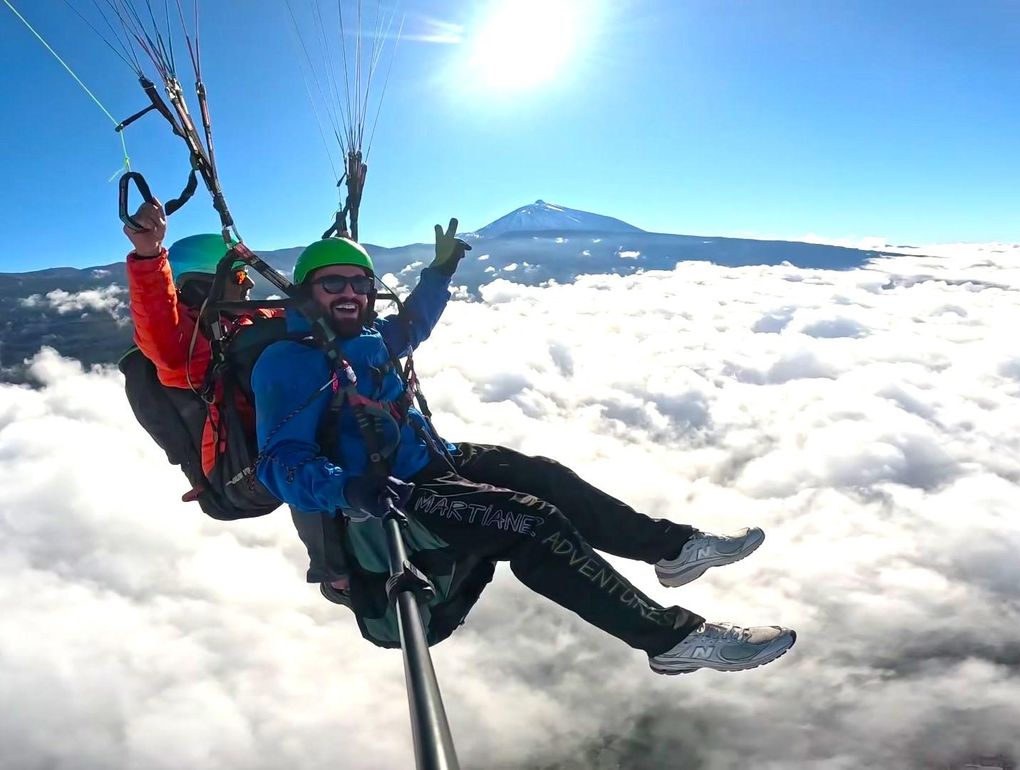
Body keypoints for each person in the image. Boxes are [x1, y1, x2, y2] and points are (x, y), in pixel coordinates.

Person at [252, 220, 797, 674]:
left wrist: (439, 273)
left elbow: (411, 327)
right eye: (332, 284)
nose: (349, 292)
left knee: (545, 474)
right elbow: (279, 461)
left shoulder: (364, 339)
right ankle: (671, 640)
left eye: (359, 282)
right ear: (306, 292)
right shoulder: (290, 362)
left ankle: (673, 550)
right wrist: (348, 488)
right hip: (394, 492)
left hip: (431, 459)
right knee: (534, 524)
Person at [123, 200, 272, 479]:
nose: (250, 284)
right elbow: (158, 320)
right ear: (203, 285)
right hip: (242, 468)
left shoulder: (243, 319)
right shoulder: (188, 351)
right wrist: (148, 254)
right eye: (240, 276)